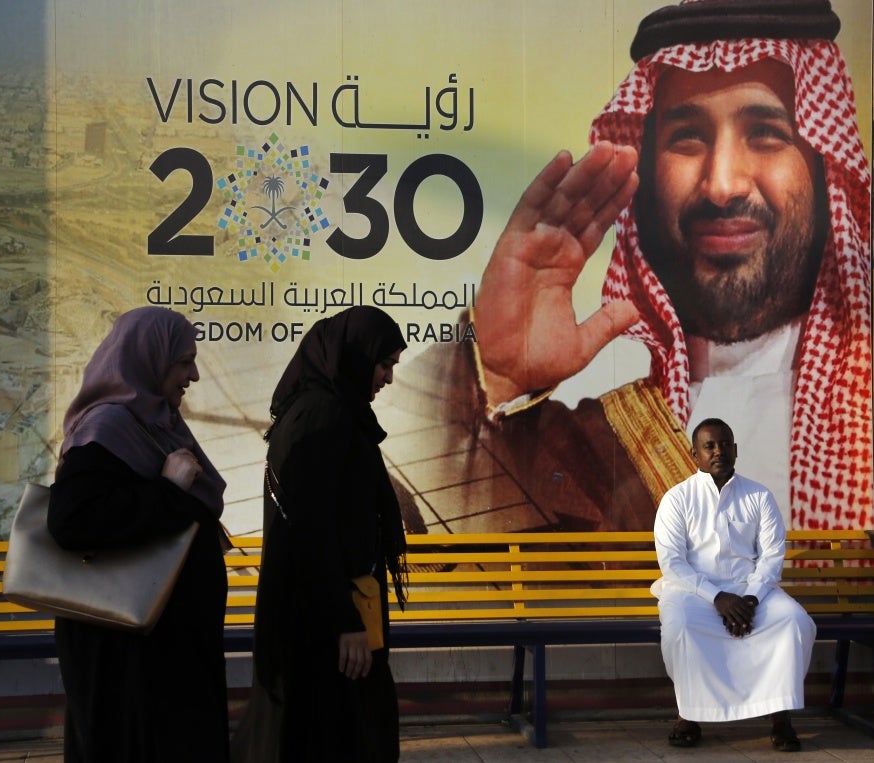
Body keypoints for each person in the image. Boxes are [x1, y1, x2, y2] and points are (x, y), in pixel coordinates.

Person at [392, 0, 871, 535]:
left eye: (766, 134)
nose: (722, 184)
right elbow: (390, 500)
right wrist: (494, 376)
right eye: (687, 138)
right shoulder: (594, 451)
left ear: (827, 167)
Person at [48, 306, 230, 763]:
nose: (194, 374)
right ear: (151, 357)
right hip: (129, 661)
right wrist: (167, 490)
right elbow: (71, 520)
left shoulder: (155, 421)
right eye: (183, 361)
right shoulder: (106, 427)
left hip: (165, 654)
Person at [231, 305, 408, 762]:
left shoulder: (332, 411)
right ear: (353, 356)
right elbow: (311, 534)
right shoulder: (320, 417)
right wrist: (345, 623)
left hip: (327, 617)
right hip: (324, 627)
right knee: (331, 735)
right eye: (383, 364)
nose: (387, 378)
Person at [652, 418, 816, 751]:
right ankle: (688, 716)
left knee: (795, 622)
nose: (718, 451)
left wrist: (751, 599)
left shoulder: (758, 495)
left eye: (725, 444)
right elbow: (673, 564)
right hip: (693, 593)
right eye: (709, 446)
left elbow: (771, 558)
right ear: (694, 454)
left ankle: (780, 719)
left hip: (751, 591)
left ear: (735, 450)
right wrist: (718, 598)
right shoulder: (677, 499)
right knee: (681, 626)